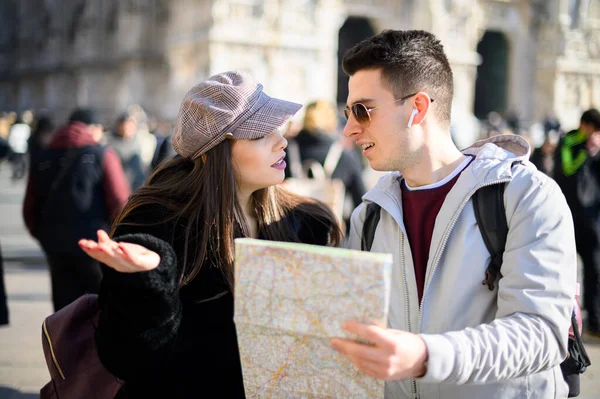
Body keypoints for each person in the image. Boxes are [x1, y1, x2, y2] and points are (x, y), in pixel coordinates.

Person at [330, 30, 576, 399]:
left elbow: (541, 332)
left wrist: (427, 356)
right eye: (349, 112)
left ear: (418, 107)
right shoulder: (368, 216)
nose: (349, 129)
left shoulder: (525, 195)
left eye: (363, 111)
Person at [78, 71, 342, 398]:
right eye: (261, 134)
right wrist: (146, 282)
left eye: (277, 128)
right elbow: (126, 361)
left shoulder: (307, 222)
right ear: (215, 150)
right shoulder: (156, 222)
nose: (281, 140)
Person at [23, 108, 131, 311]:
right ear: (91, 128)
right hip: (97, 245)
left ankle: (65, 343)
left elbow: (29, 207)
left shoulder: (43, 157)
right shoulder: (102, 154)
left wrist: (45, 237)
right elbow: (120, 201)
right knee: (102, 308)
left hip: (56, 246)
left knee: (65, 311)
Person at [554, 108, 600, 339]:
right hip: (570, 216)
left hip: (593, 221)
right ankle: (565, 319)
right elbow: (567, 169)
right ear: (585, 126)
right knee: (566, 271)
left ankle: (596, 321)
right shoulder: (569, 141)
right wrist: (587, 152)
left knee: (595, 270)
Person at [284, 100, 366, 229]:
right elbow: (360, 204)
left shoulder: (285, 150)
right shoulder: (344, 155)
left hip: (286, 233)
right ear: (332, 121)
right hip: (329, 236)